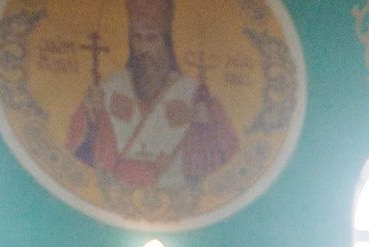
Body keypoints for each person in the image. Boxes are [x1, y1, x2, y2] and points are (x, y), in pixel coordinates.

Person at [66, 0, 241, 192]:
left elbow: (229, 153)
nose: (143, 49)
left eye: (151, 38)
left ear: (166, 44)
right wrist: (92, 123)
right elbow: (76, 154)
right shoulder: (107, 91)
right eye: (137, 38)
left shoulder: (197, 95)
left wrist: (206, 129)